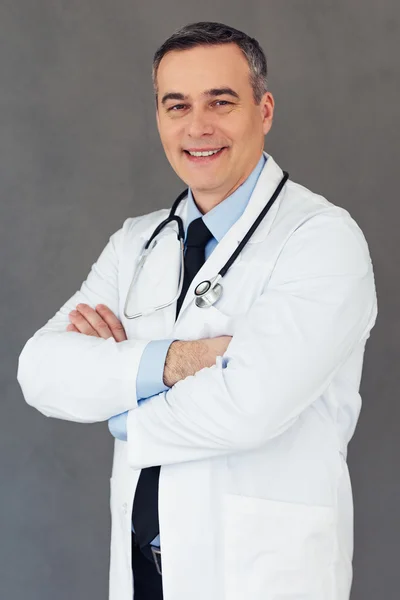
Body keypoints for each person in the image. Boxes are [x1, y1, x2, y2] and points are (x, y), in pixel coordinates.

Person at [17, 21, 378, 600]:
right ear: (159, 116)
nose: (197, 126)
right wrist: (178, 362)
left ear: (264, 110)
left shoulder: (322, 239)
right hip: (144, 575)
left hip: (261, 576)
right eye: (176, 105)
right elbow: (39, 370)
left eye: (221, 101)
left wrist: (120, 408)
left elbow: (250, 406)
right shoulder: (134, 245)